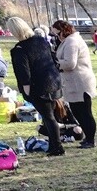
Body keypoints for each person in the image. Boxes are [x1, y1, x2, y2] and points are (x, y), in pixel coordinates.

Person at [5, 16, 65, 156]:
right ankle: (53, 144)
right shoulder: (41, 41)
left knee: (48, 117)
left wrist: (27, 93)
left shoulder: (19, 49)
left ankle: (57, 147)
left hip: (39, 87)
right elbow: (53, 59)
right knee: (49, 117)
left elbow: (23, 73)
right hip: (53, 82)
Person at [53, 20, 97, 149]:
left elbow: (70, 63)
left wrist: (55, 63)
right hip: (73, 83)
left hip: (80, 82)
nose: (57, 36)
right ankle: (87, 138)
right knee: (77, 112)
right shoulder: (68, 41)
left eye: (58, 33)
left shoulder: (72, 42)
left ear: (64, 31)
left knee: (85, 113)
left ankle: (90, 139)